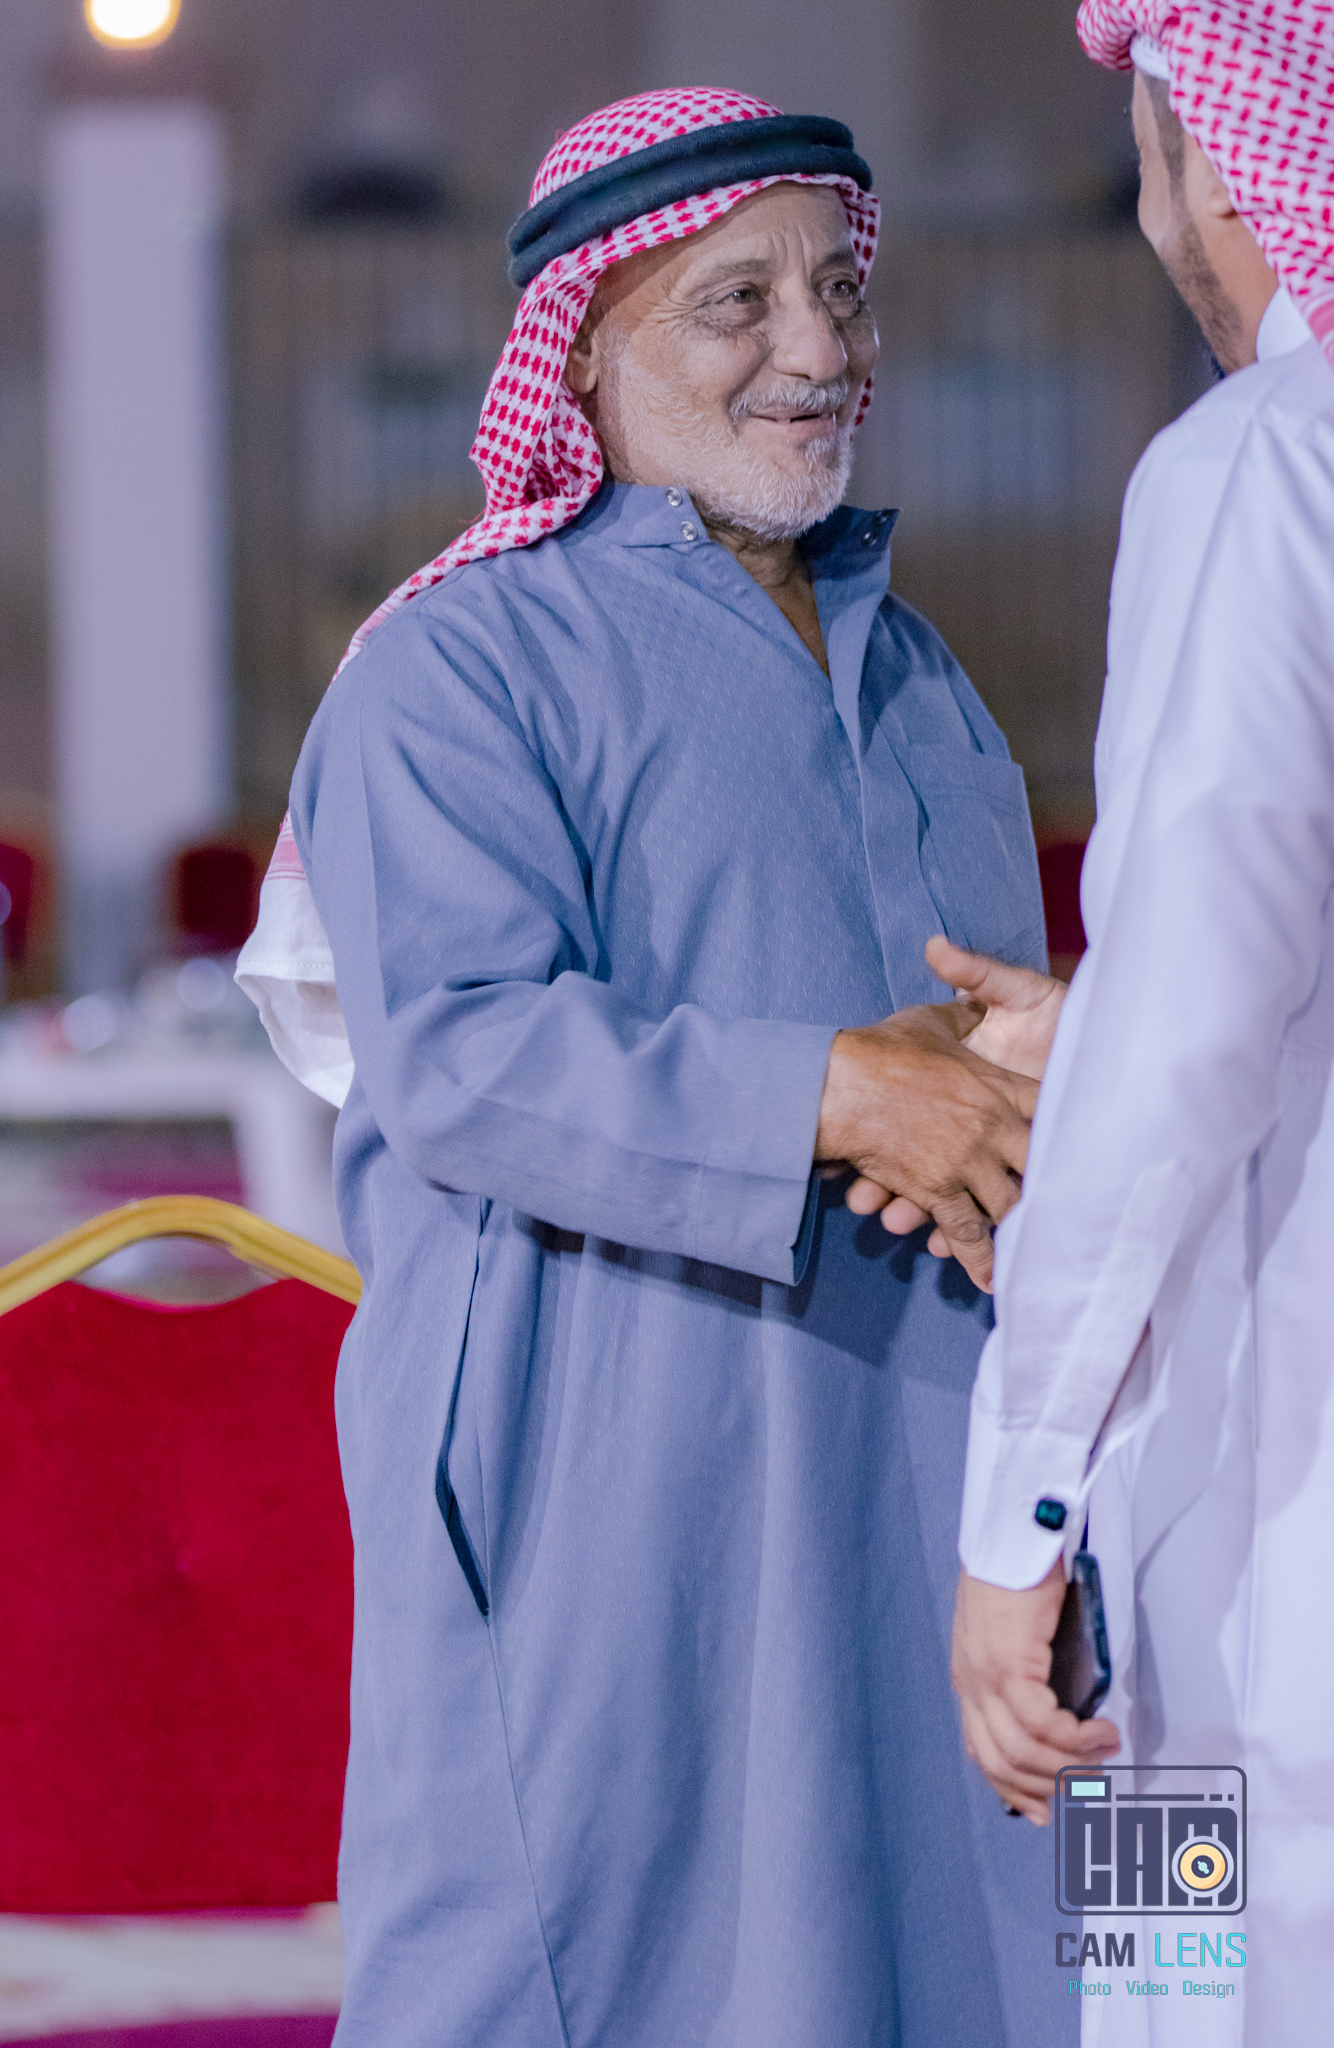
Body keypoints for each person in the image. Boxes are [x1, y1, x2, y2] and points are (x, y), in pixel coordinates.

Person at [238, 88, 1072, 2047]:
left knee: (977, 1942)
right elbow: (459, 1054)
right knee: (609, 1956)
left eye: (837, 289)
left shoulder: (919, 673)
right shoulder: (456, 667)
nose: (815, 346)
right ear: (586, 350)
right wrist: (840, 1092)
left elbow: (986, 1040)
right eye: (737, 301)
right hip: (621, 1485)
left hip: (934, 1466)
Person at [949, 4, 1334, 2037]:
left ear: (1219, 169)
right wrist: (1098, 1029)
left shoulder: (1260, 464)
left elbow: (1191, 1036)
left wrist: (1016, 1512)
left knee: (1182, 1988)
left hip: (1253, 1542)